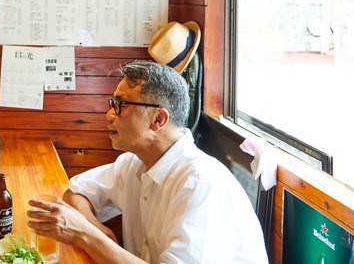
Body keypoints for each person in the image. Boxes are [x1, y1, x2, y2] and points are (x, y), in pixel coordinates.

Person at [27, 60, 268, 263]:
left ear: (158, 119)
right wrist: (97, 230)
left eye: (120, 105)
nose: (109, 115)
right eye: (112, 104)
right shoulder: (134, 162)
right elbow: (77, 192)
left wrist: (86, 234)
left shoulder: (199, 184)